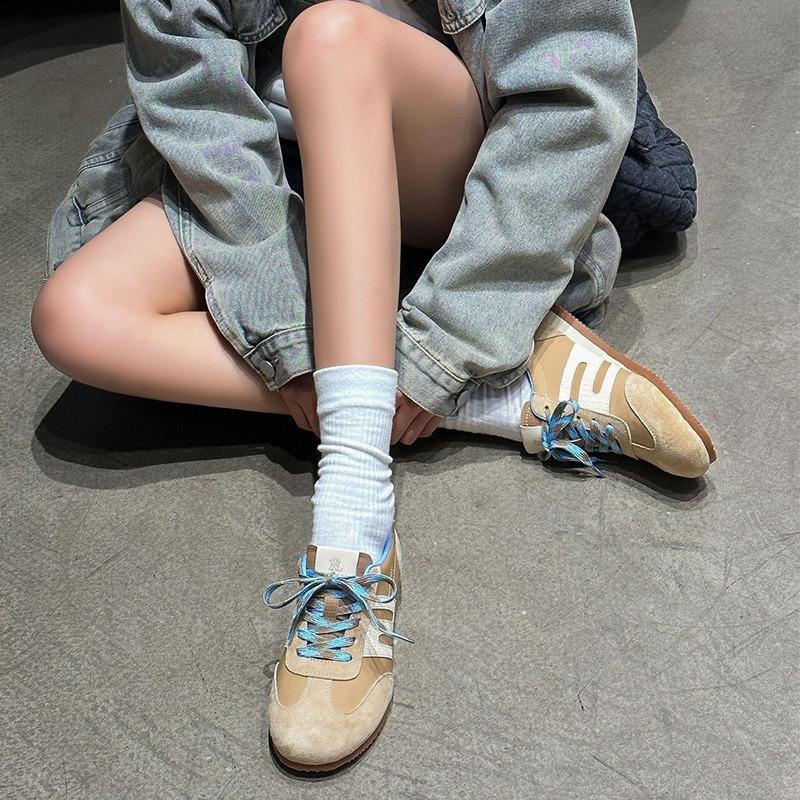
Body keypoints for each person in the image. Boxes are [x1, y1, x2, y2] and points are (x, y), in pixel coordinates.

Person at [31, 0, 715, 772]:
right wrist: (283, 336)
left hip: (462, 170)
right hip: (273, 162)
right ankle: (506, 391)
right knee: (76, 316)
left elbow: (571, 106)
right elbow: (199, 111)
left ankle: (351, 532)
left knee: (332, 36)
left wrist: (450, 337)